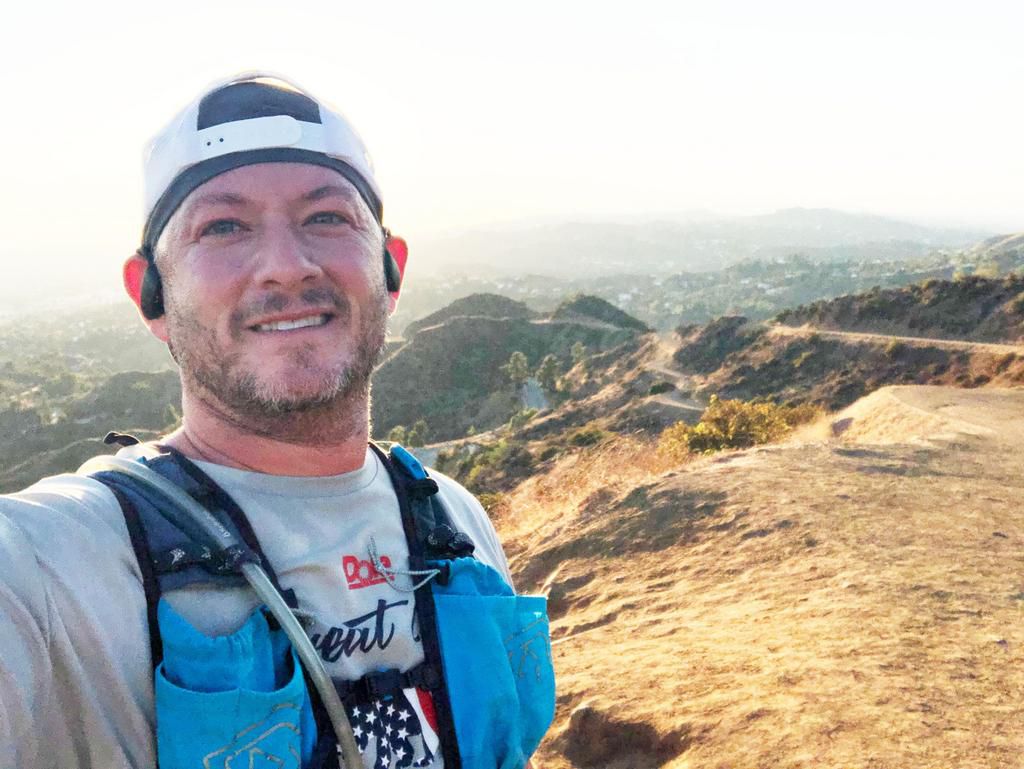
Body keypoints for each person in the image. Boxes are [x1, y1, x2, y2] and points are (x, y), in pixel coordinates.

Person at [0, 73, 554, 769]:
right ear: (152, 294)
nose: (287, 267)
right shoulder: (52, 568)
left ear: (390, 268)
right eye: (224, 226)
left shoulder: (457, 526)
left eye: (327, 217)